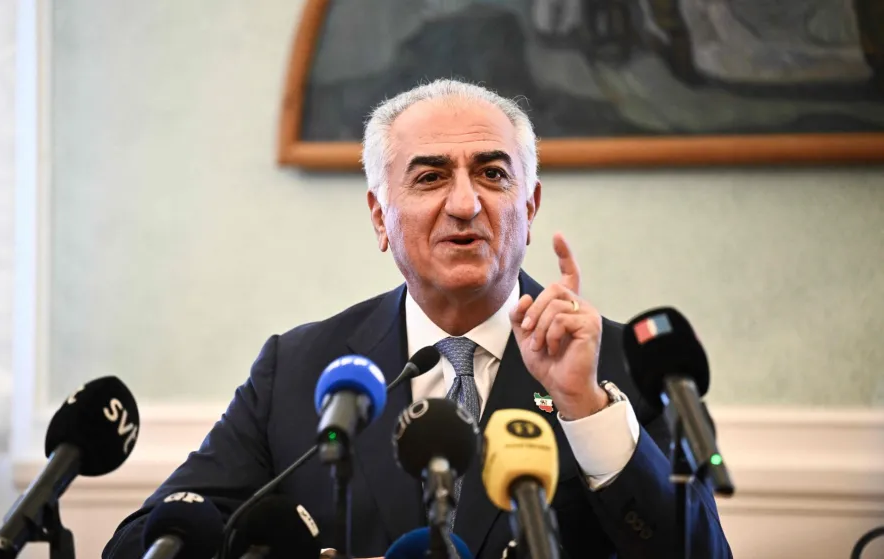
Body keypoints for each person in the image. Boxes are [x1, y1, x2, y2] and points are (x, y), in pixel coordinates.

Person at [103, 79, 731, 559]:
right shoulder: (300, 370)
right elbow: (148, 538)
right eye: (430, 177)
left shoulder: (621, 367)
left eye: (492, 174)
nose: (464, 203)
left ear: (530, 206)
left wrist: (584, 407)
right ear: (381, 218)